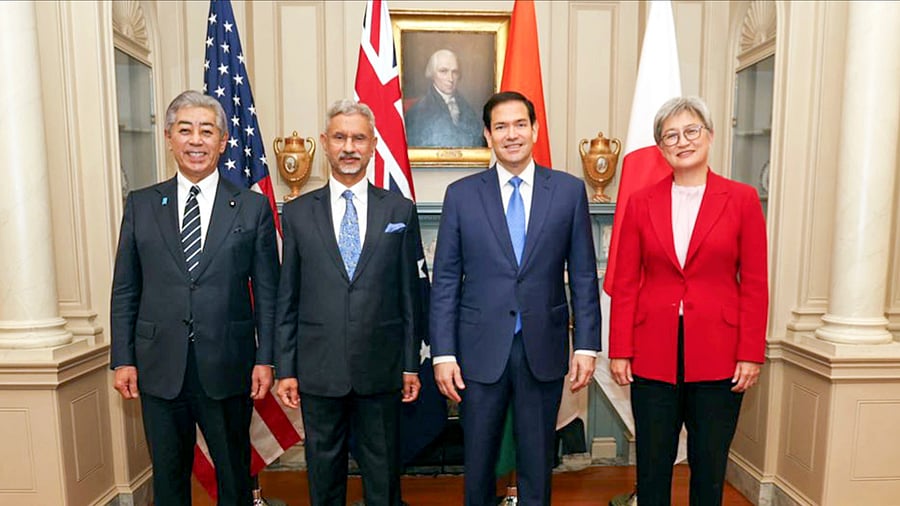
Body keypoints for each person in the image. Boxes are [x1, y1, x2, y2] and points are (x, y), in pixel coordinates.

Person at [430, 91, 601, 506]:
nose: (512, 135)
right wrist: (444, 354)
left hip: (541, 347)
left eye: (520, 125)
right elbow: (447, 279)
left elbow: (581, 274)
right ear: (488, 135)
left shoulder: (567, 191)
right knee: (479, 461)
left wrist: (587, 346)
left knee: (538, 462)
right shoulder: (462, 194)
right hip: (478, 352)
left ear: (535, 130)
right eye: (501, 127)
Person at [110, 90, 279, 505]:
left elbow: (270, 294)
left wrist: (266, 358)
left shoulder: (252, 208)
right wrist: (123, 357)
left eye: (207, 131)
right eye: (185, 130)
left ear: (223, 142)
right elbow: (126, 289)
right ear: (169, 137)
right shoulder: (142, 205)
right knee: (168, 479)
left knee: (235, 476)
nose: (196, 140)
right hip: (159, 365)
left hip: (228, 364)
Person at [608, 96, 768, 506]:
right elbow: (625, 282)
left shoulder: (743, 199)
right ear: (661, 148)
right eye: (670, 136)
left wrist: (750, 353)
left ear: (710, 136)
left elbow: (754, 282)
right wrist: (621, 349)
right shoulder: (640, 203)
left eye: (691, 131)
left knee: (710, 464)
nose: (682, 141)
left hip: (720, 353)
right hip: (652, 352)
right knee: (653, 464)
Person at [274, 99, 423, 506]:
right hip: (318, 368)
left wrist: (411, 363)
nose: (349, 147)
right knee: (323, 475)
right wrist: (286, 368)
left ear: (373, 143)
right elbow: (288, 297)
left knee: (384, 476)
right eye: (340, 137)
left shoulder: (399, 210)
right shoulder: (299, 212)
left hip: (382, 366)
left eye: (358, 138)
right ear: (324, 142)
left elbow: (410, 296)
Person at [405, 48, 487, 148]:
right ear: (432, 74)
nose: (450, 78)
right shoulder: (416, 113)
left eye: (455, 72)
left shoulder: (471, 110)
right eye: (443, 71)